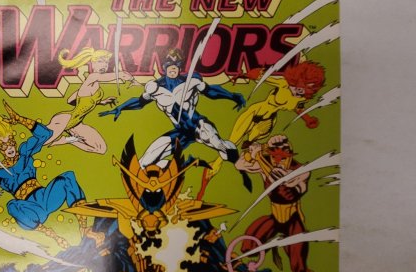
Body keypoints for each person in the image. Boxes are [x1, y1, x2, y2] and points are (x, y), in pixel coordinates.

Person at [0, 99, 85, 247]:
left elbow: (45, 134)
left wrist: (20, 119)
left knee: (67, 177)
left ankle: (84, 228)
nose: (9, 147)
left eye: (10, 142)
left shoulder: (24, 153)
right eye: (3, 145)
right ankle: (52, 235)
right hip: (31, 210)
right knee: (12, 205)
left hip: (46, 198)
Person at [99, 48, 245, 167]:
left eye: (176, 65)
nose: (173, 68)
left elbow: (211, 91)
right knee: (147, 160)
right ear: (164, 67)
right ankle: (167, 169)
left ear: (180, 67)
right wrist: (121, 108)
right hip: (181, 132)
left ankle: (240, 165)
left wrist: (232, 96)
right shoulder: (155, 87)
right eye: (170, 65)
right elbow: (139, 102)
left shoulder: (190, 81)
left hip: (198, 126)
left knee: (219, 145)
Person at [200, 61, 325, 194]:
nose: (301, 89)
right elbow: (262, 76)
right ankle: (214, 167)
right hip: (255, 113)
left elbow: (298, 108)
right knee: (231, 142)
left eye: (309, 87)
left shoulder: (301, 99)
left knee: (250, 146)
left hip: (268, 121)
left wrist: (308, 119)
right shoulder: (283, 84)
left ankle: (244, 167)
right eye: (303, 84)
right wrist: (244, 75)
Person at [236, 134, 319, 272]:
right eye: (274, 154)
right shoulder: (264, 162)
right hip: (275, 218)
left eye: (283, 154)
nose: (278, 159)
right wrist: (252, 152)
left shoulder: (301, 170)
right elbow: (239, 165)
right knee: (248, 247)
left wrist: (259, 157)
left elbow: (282, 180)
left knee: (298, 268)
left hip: (293, 221)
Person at [45, 47, 134, 153]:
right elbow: (118, 76)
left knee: (100, 148)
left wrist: (101, 102)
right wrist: (127, 77)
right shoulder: (92, 77)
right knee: (42, 141)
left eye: (106, 62)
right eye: (100, 61)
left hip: (76, 124)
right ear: (93, 63)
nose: (104, 65)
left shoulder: (93, 85)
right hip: (64, 120)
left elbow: (70, 100)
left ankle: (68, 140)